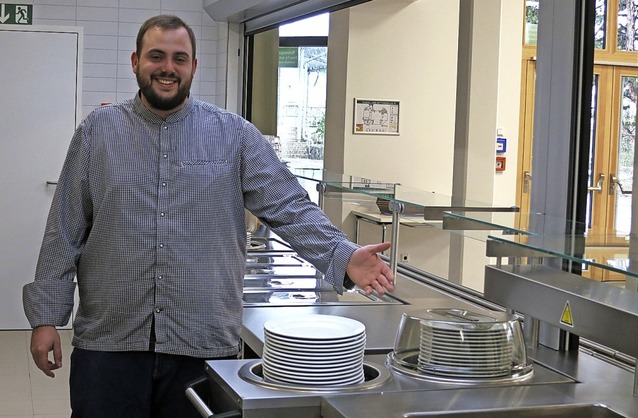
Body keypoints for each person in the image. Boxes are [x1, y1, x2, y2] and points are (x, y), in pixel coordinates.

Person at [22, 14, 394, 418]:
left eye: (179, 58)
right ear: (135, 62)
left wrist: (342, 253)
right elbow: (64, 229)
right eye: (156, 56)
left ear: (193, 67)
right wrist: (46, 319)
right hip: (109, 343)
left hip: (201, 343)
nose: (168, 67)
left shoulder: (235, 136)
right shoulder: (98, 132)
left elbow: (288, 206)